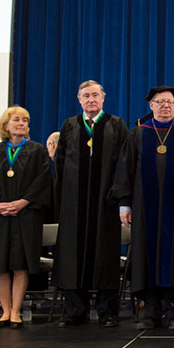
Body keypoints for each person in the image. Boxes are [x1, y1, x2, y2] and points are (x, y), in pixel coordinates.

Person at [112, 86, 174, 330]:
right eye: (160, 102)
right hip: (144, 209)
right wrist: (124, 204)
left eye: (169, 102)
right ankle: (150, 309)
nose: (165, 106)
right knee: (145, 254)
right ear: (151, 106)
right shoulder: (138, 134)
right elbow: (125, 170)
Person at [54, 80, 130, 327]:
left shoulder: (116, 125)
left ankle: (107, 310)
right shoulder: (70, 126)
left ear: (103, 98)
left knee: (106, 255)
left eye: (95, 95)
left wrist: (118, 196)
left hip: (105, 204)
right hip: (74, 206)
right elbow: (61, 164)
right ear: (79, 99)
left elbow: (124, 164)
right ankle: (76, 309)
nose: (91, 100)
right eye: (86, 95)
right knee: (72, 255)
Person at [0, 107, 52, 329]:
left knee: (20, 262)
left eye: (25, 120)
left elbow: (43, 180)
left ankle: (16, 311)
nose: (21, 123)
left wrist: (22, 203)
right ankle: (5, 310)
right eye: (16, 120)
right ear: (5, 125)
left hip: (26, 215)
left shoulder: (37, 150)